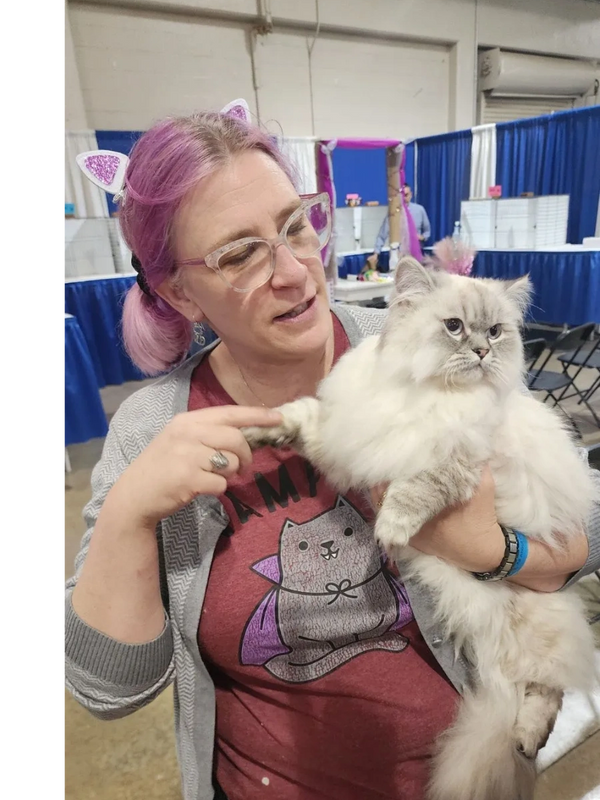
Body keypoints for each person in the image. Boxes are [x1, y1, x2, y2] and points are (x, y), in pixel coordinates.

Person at [63, 103, 600, 800]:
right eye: (240, 253)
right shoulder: (151, 429)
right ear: (179, 291)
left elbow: (584, 523)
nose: (291, 270)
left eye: (295, 226)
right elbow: (106, 690)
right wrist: (129, 516)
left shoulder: (424, 336)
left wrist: (499, 551)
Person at [365, 184, 430, 271]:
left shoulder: (419, 210)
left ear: (411, 194)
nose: (404, 198)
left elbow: (427, 231)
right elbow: (382, 235)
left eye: (406, 195)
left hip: (415, 254)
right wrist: (376, 253)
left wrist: (422, 237)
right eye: (402, 195)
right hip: (398, 255)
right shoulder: (393, 213)